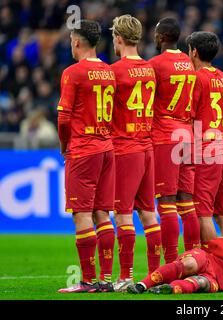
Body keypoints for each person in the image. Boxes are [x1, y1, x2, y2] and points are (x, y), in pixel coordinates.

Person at [57, 20, 116, 293]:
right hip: (107, 148)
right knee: (102, 213)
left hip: (83, 149)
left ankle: (88, 282)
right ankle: (105, 280)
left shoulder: (73, 72)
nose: (71, 44)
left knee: (81, 214)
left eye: (71, 40)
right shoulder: (108, 71)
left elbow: (64, 117)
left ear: (78, 42)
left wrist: (64, 144)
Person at [109, 14, 161, 292]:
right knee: (149, 214)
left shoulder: (115, 71)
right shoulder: (150, 69)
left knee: (123, 214)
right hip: (147, 147)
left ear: (118, 37)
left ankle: (126, 276)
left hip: (124, 148)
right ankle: (155, 276)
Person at [149, 17, 200, 264]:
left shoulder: (155, 65)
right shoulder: (190, 63)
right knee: (187, 202)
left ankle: (171, 262)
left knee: (166, 202)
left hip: (165, 136)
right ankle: (194, 259)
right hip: (188, 136)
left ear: (160, 37)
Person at [186, 31, 223, 244]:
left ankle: (212, 264)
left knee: (203, 213)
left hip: (207, 151)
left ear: (194, 52)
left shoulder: (197, 79)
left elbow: (190, 116)